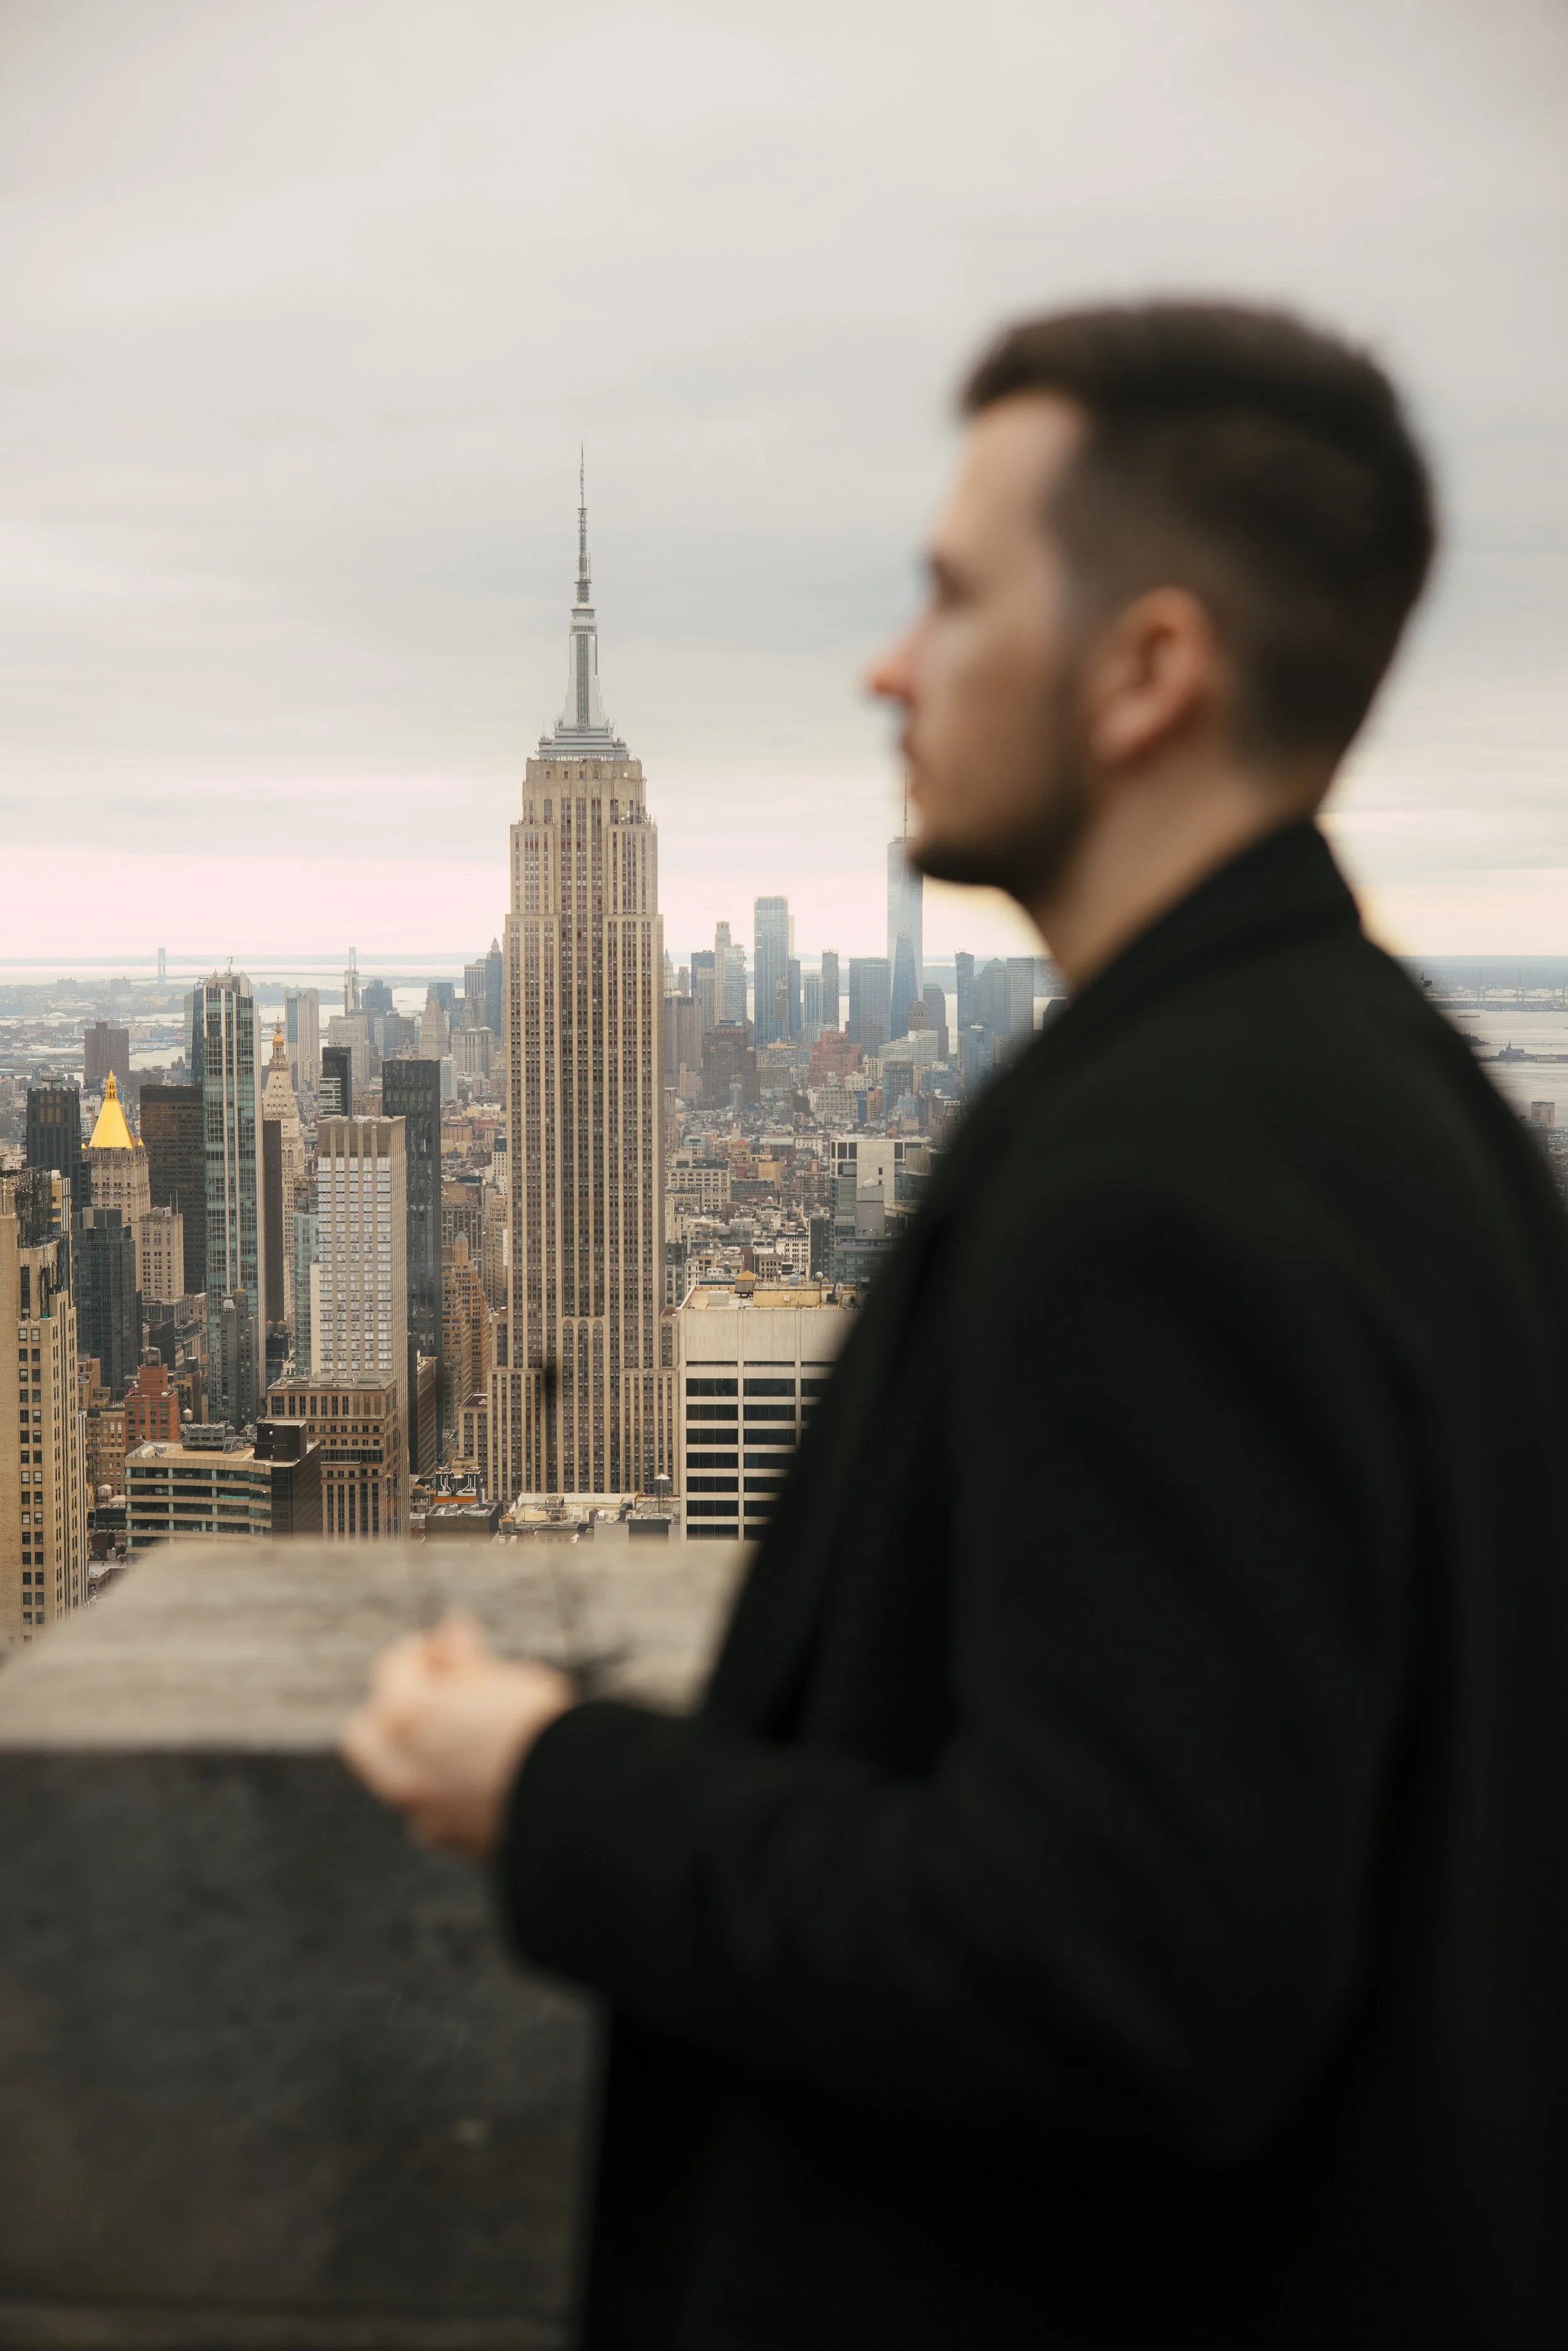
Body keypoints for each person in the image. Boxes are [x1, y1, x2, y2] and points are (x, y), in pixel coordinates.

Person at [342, 303, 1568, 2348]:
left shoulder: (1167, 1182)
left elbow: (1112, 1974)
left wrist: (556, 1783)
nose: (883, 662)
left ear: (1147, 666)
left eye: (951, 592)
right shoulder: (1400, 1102)